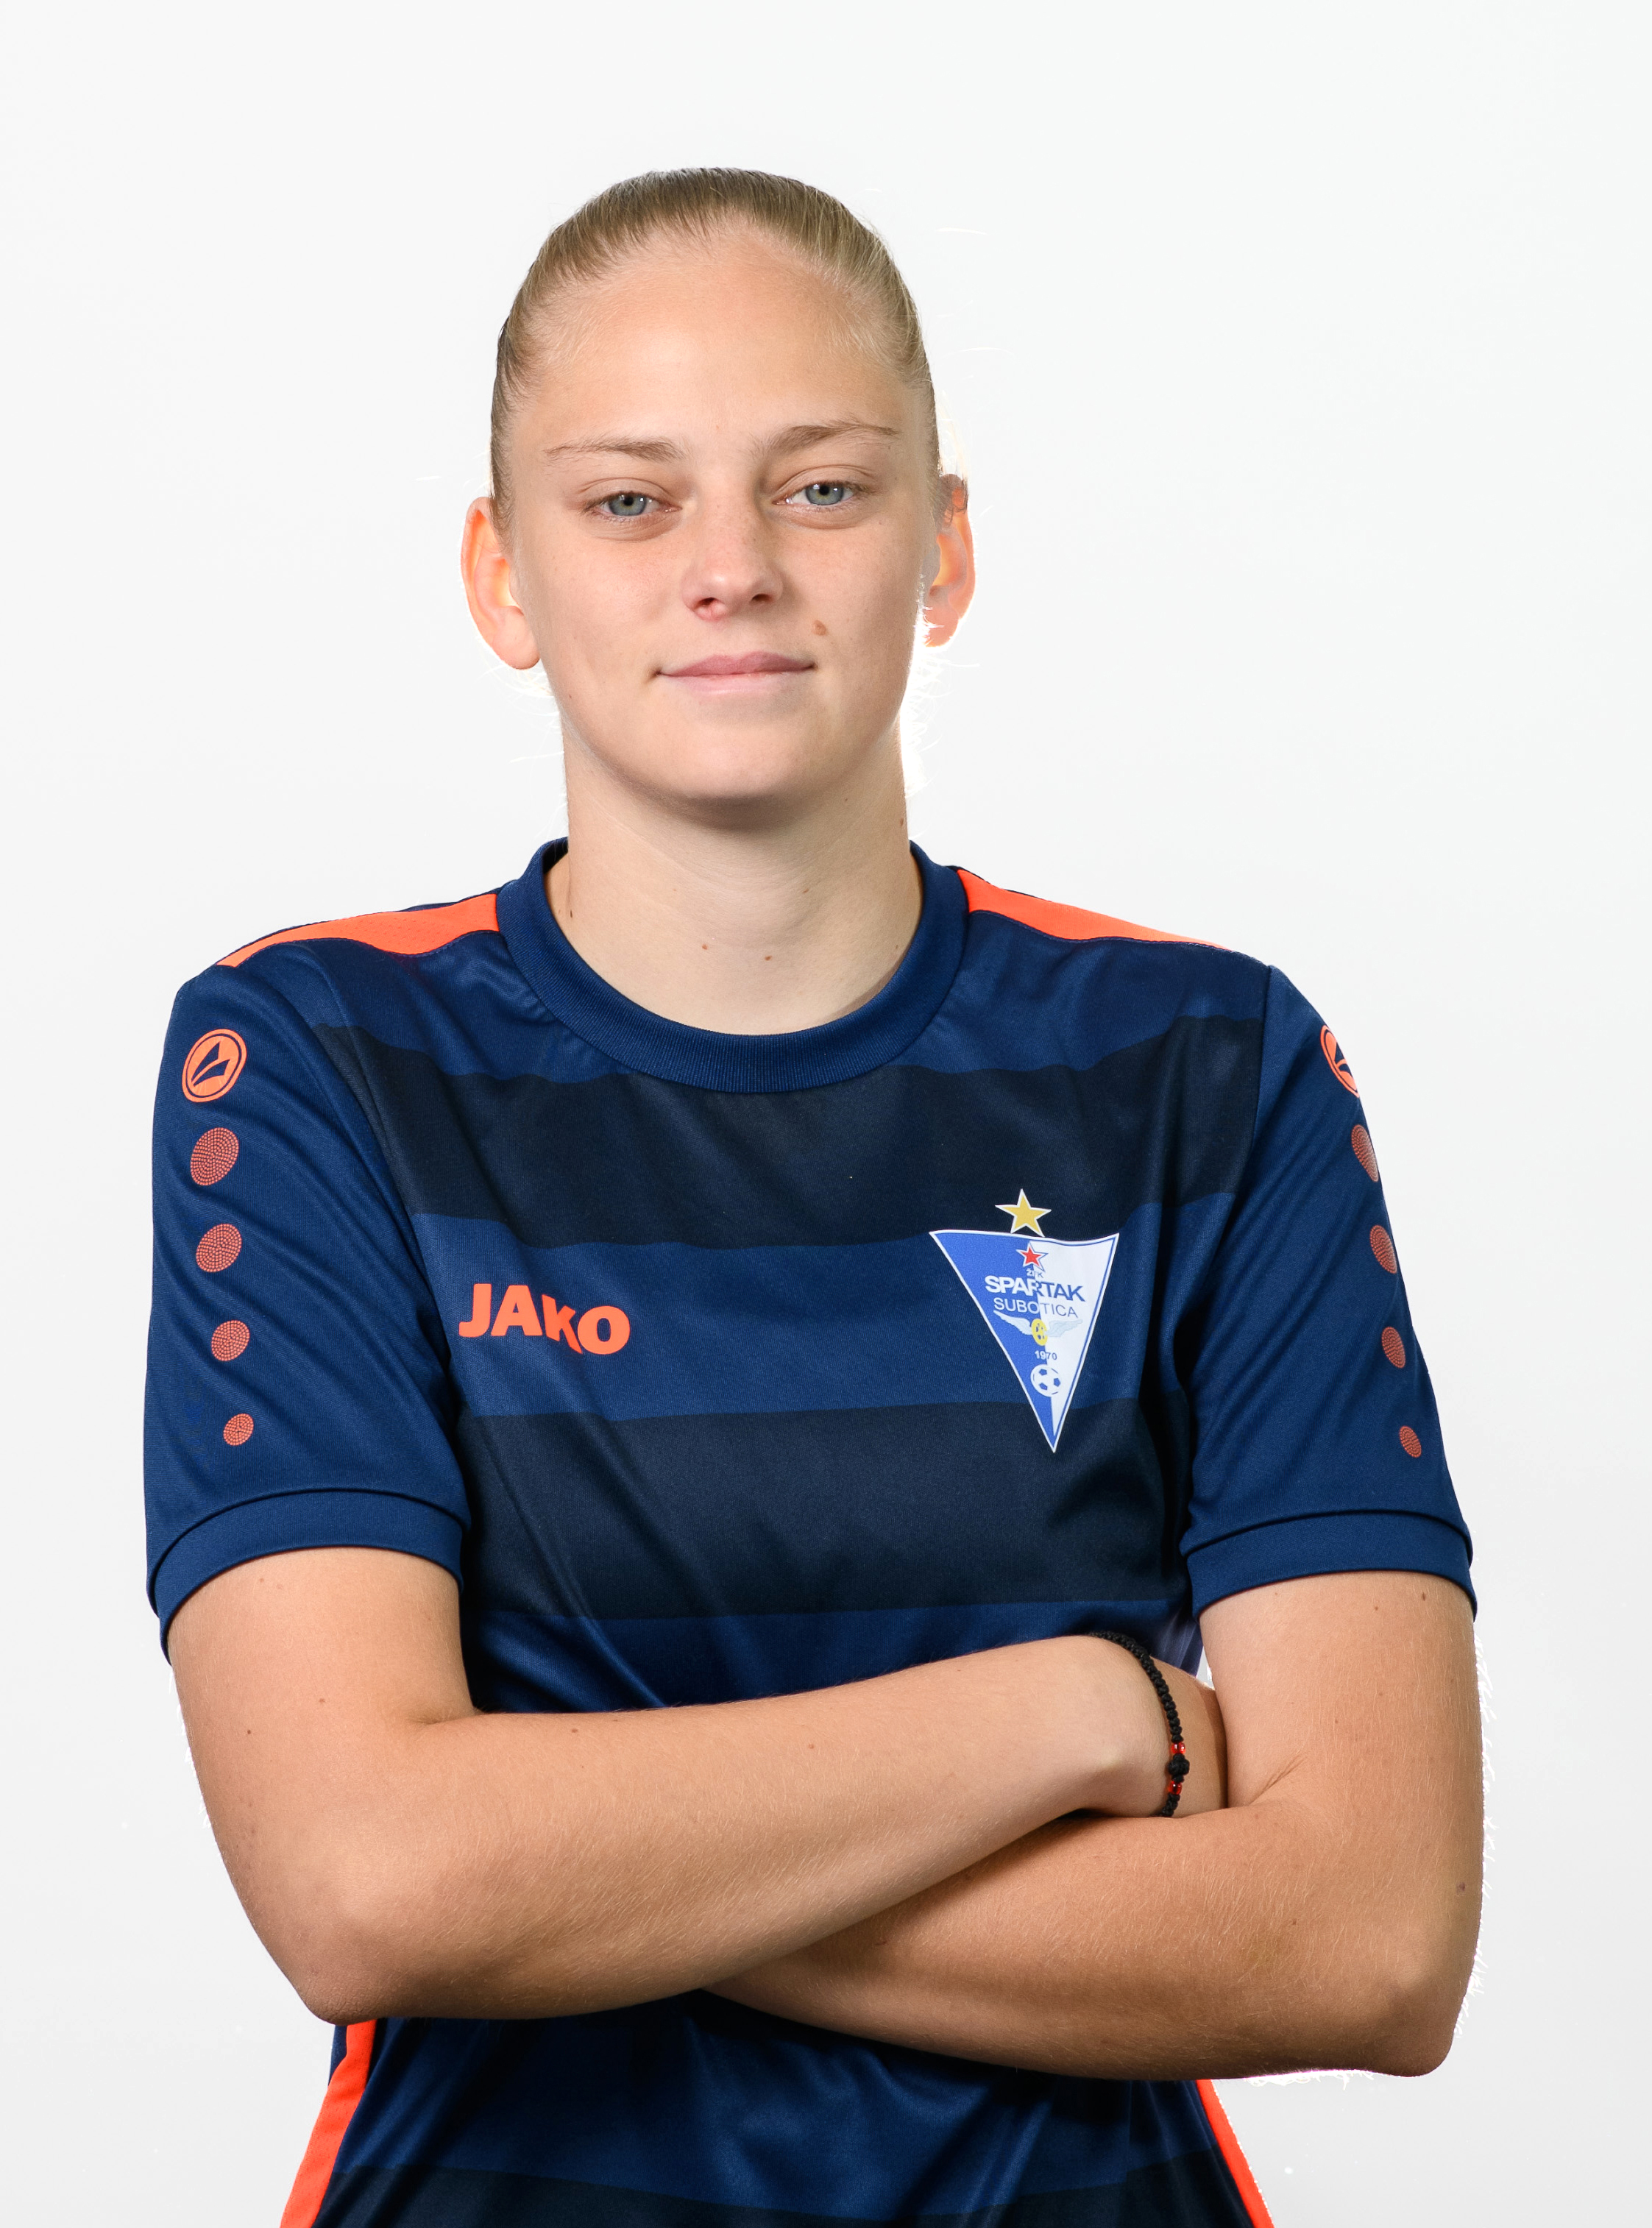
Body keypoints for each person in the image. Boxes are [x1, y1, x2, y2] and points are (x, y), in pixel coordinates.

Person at [146, 170, 1482, 2228]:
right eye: (628, 501)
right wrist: (1074, 1714)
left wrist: (567, 1857)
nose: (731, 570)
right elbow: (365, 1883)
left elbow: (1372, 1935)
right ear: (503, 576)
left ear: (944, 546)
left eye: (825, 489)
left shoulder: (1208, 1065)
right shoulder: (313, 1060)